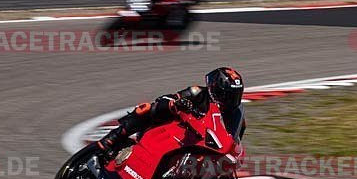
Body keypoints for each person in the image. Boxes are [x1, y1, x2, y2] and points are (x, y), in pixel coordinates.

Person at [96, 67, 246, 161]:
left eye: (235, 96)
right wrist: (177, 103)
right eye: (227, 95)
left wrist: (232, 158)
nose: (230, 100)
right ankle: (113, 137)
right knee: (148, 108)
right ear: (214, 88)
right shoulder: (198, 93)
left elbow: (235, 140)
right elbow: (168, 98)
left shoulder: (236, 117)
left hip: (198, 145)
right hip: (173, 128)